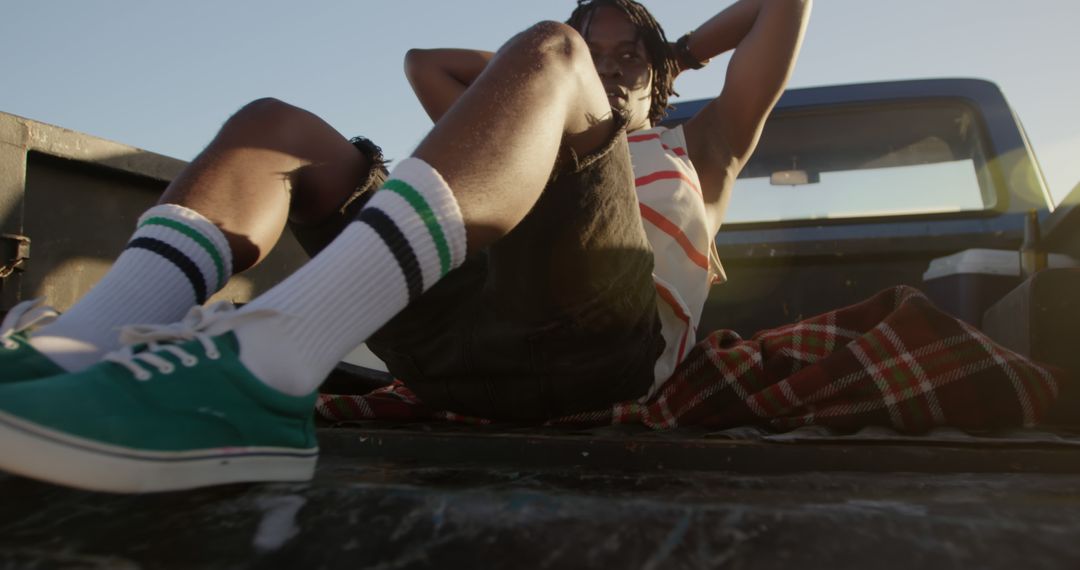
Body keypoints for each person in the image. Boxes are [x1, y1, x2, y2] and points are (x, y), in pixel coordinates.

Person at [0, 0, 812, 493]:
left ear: (661, 78)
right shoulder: (529, 130)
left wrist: (672, 52)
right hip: (460, 348)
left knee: (546, 52)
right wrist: (559, 63)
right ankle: (75, 347)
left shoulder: (704, 149)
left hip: (603, 357)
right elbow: (428, 64)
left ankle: (264, 368)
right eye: (593, 50)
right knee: (275, 128)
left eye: (627, 56)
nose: (605, 65)